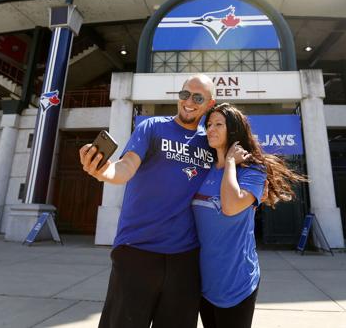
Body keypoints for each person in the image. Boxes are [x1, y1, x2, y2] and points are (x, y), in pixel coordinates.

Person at [79, 74, 216, 328]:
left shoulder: (210, 142)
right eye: (185, 94)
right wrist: (104, 171)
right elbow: (126, 166)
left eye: (198, 97)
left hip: (185, 258)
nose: (189, 102)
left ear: (209, 103)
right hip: (136, 250)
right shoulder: (152, 127)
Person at [193, 103, 307, 328]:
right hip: (204, 281)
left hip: (237, 282)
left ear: (234, 129)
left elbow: (230, 206)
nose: (211, 129)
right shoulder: (202, 169)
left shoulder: (253, 170)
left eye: (218, 124)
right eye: (208, 125)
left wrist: (230, 165)